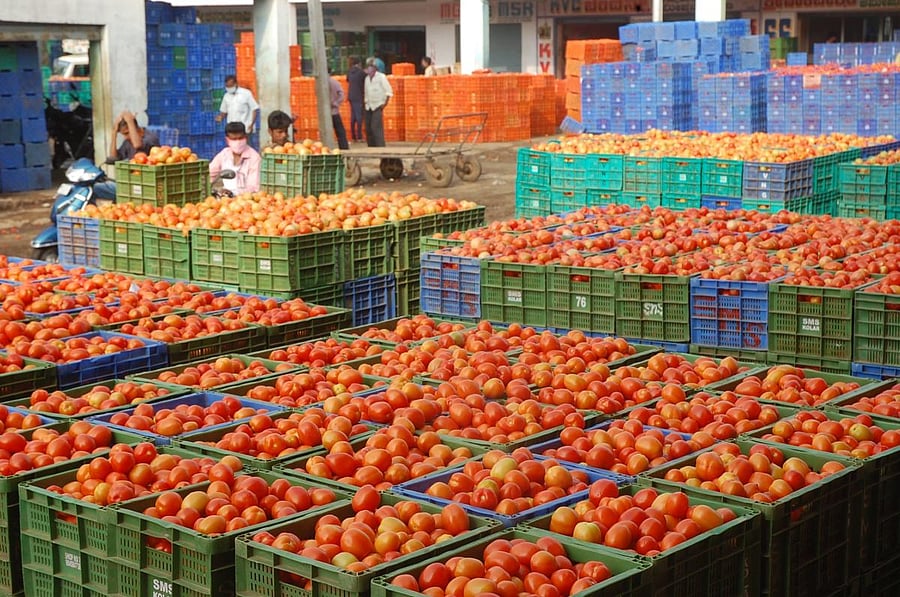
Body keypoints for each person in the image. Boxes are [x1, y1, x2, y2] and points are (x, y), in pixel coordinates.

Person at [95, 111, 159, 199]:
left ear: (136, 128)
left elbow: (138, 145)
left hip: (148, 184)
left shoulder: (150, 137)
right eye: (123, 134)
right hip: (132, 183)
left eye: (127, 133)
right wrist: (114, 133)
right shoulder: (127, 142)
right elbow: (113, 158)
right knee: (97, 188)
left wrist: (130, 121)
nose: (126, 137)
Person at [209, 122, 261, 196]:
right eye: (234, 139)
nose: (238, 142)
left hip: (246, 201)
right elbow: (209, 174)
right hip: (225, 200)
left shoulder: (254, 158)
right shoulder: (224, 154)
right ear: (227, 140)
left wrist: (233, 193)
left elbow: (254, 188)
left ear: (246, 138)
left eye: (240, 138)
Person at [364, 58, 393, 148]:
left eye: (371, 67)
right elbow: (366, 92)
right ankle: (371, 148)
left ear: (375, 68)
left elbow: (389, 92)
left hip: (378, 105)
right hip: (368, 106)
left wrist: (384, 104)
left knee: (376, 127)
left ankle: (380, 148)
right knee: (368, 128)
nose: (369, 69)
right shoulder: (367, 79)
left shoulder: (381, 77)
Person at [347, 57, 366, 142]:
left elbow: (348, 80)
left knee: (353, 116)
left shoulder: (349, 71)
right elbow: (366, 79)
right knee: (359, 117)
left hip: (351, 95)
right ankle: (359, 136)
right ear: (359, 64)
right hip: (358, 95)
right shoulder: (361, 72)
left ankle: (353, 136)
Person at [329, 74, 350, 150]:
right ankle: (344, 147)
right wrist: (336, 103)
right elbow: (341, 94)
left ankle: (328, 147)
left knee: (328, 132)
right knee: (340, 131)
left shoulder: (320, 83)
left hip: (325, 113)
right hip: (334, 111)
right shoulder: (335, 82)